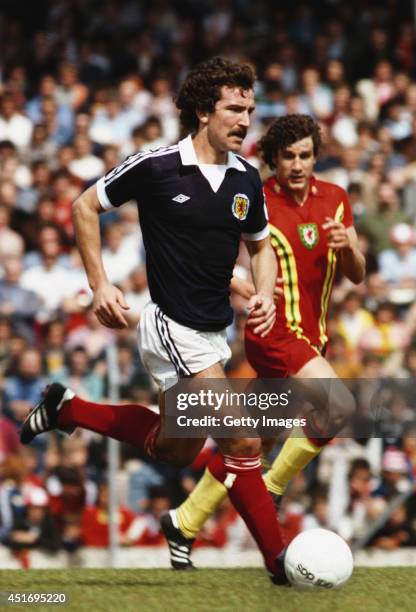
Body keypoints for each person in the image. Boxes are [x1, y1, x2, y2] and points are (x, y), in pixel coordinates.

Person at [20, 57, 287, 583]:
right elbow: (82, 207)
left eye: (251, 109)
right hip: (171, 323)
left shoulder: (246, 179)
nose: (246, 119)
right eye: (235, 108)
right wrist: (100, 283)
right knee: (242, 441)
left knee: (174, 449)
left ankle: (68, 409)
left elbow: (261, 248)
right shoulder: (157, 165)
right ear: (204, 111)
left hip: (213, 331)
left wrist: (267, 293)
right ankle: (281, 563)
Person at [163, 114, 366, 568]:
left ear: (316, 156)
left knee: (249, 443)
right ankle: (271, 488)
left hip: (312, 337)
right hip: (272, 331)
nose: (297, 164)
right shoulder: (255, 196)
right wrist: (241, 287)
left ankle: (183, 522)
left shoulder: (335, 199)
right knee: (340, 406)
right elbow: (211, 251)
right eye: (288, 156)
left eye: (305, 155)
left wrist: (347, 248)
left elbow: (357, 273)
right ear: (273, 158)